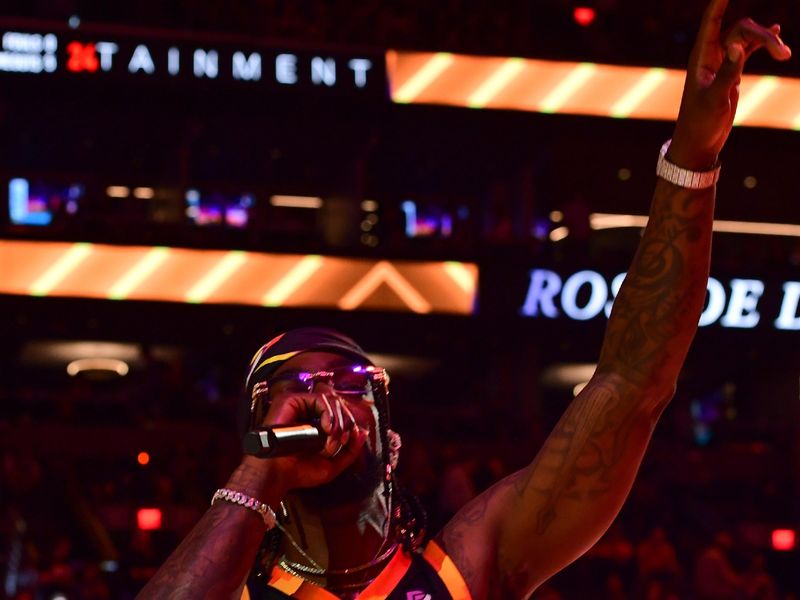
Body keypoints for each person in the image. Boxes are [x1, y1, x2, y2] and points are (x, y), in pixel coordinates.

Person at [138, 1, 791, 598]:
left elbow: (632, 382)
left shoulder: (468, 566)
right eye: (298, 387)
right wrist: (263, 469)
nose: (325, 398)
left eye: (349, 382)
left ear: (392, 441)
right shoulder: (236, 585)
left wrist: (693, 159)